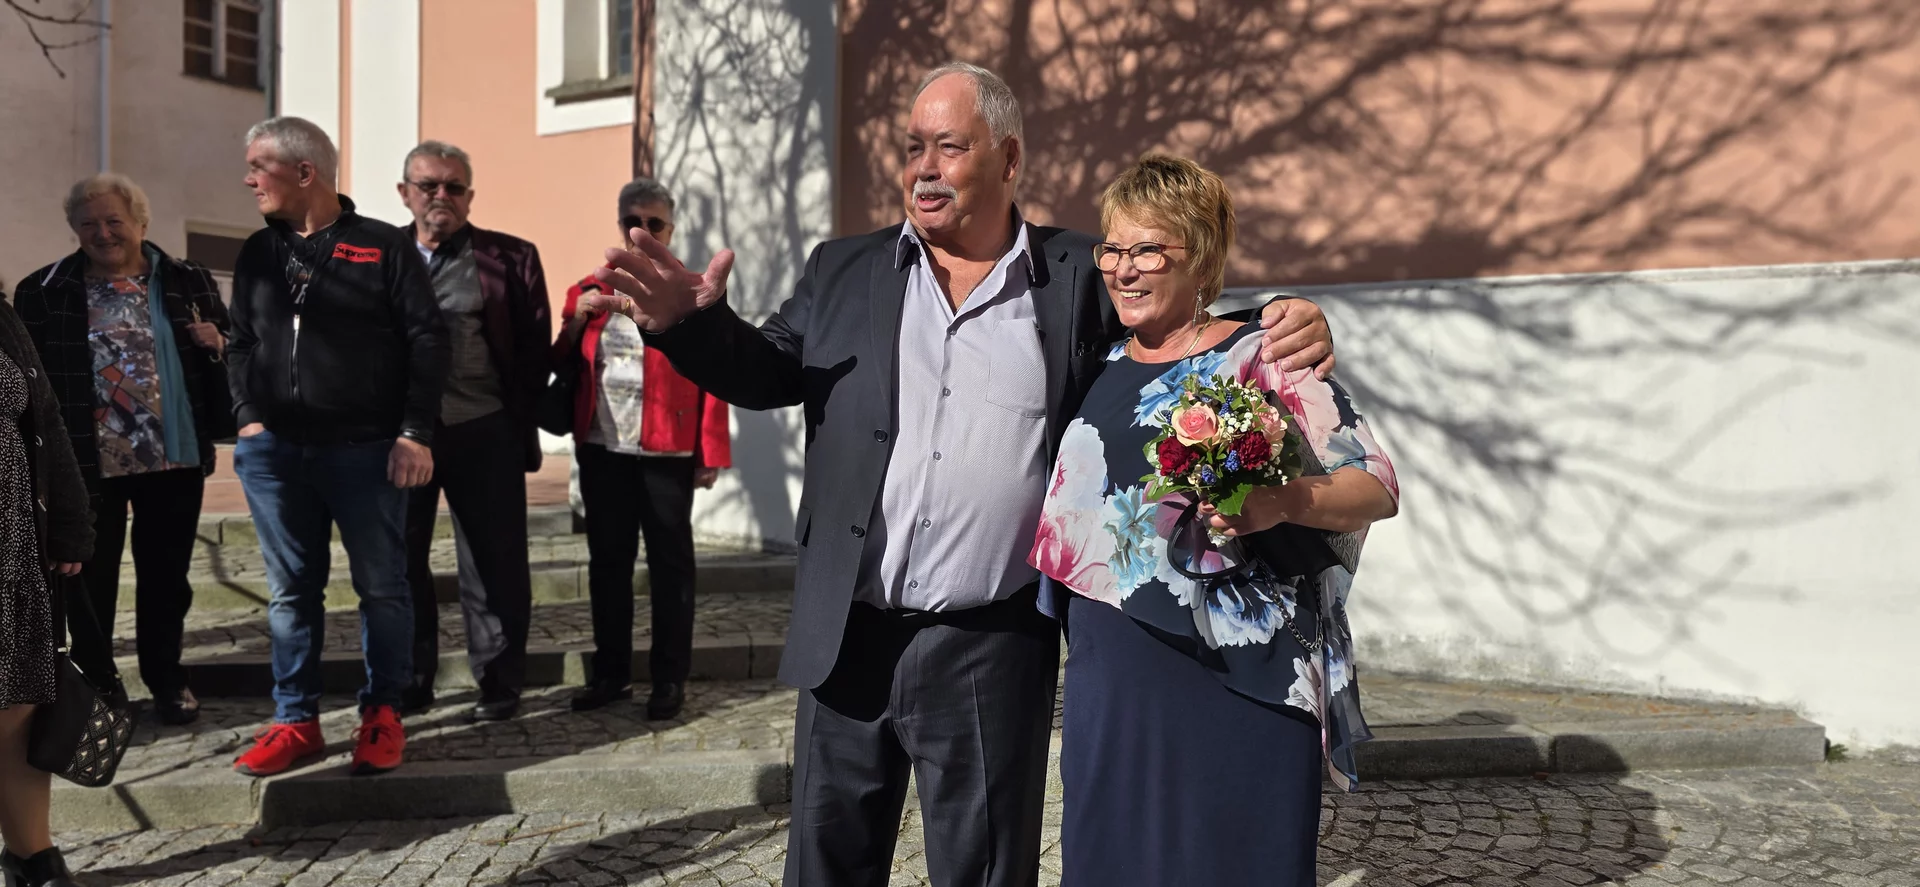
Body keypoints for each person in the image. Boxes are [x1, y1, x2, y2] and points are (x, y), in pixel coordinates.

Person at [590, 62, 1340, 886]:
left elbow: (1170, 319)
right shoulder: (842, 270)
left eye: (949, 146)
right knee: (825, 866)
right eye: (913, 146)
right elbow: (765, 370)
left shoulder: (1077, 273)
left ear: (1009, 159)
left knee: (984, 870)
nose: (923, 167)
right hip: (849, 635)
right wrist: (688, 326)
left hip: (991, 643)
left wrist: (1283, 321)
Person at [1029, 154, 1399, 885]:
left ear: (1199, 257)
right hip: (1113, 673)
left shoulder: (1262, 355)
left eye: (1147, 249)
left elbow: (1375, 483)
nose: (1122, 269)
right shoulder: (1098, 363)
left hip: (1238, 669)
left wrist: (1280, 502)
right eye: (1113, 248)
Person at [224, 117, 448, 778]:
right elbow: (240, 342)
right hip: (276, 455)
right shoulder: (257, 252)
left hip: (365, 451)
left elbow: (428, 340)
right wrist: (247, 418)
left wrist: (414, 432)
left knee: (382, 586)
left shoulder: (381, 245)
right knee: (291, 592)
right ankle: (296, 720)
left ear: (305, 172)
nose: (248, 179)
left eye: (258, 166)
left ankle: (382, 713)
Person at [12, 173, 234, 728]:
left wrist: (221, 343)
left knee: (167, 579)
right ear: (73, 229)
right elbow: (28, 383)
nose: (103, 233)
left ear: (140, 222)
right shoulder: (43, 290)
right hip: (85, 464)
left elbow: (230, 348)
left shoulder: (186, 279)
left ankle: (167, 680)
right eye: (88, 223)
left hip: (172, 457)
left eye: (115, 220)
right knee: (89, 582)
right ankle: (99, 693)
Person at [558, 178, 729, 720]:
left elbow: (715, 373)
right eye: (633, 222)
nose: (643, 231)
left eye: (654, 223)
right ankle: (610, 675)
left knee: (670, 569)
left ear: (670, 229)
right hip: (603, 446)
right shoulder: (589, 289)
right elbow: (561, 360)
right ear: (620, 226)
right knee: (608, 564)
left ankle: (669, 679)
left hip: (667, 449)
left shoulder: (690, 290)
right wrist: (575, 320)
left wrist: (710, 452)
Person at [392, 140, 551, 723]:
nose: (442, 196)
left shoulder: (511, 257)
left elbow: (534, 349)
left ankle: (500, 680)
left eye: (454, 187)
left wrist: (513, 420)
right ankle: (410, 680)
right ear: (405, 193)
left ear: (469, 196)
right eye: (429, 185)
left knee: (494, 561)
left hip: (484, 428)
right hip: (402, 437)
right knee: (400, 559)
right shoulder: (381, 254)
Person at [0, 286, 95, 887]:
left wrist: (69, 523)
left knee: (18, 703)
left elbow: (46, 418)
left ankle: (33, 858)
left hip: (12, 549)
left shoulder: (0, 317)